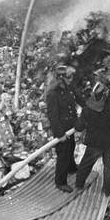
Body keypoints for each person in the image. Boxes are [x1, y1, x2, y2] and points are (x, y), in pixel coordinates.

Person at [74, 77, 110, 196]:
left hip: (94, 142)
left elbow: (79, 127)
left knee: (86, 164)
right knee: (108, 167)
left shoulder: (87, 109)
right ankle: (107, 190)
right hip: (109, 142)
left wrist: (77, 122)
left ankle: (79, 185)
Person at [44, 64, 79, 193]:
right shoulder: (52, 93)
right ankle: (60, 181)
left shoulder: (68, 87)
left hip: (70, 124)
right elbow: (53, 116)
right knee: (63, 154)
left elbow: (79, 98)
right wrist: (60, 134)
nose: (71, 80)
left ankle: (72, 168)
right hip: (61, 128)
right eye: (69, 77)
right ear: (61, 78)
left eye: (72, 77)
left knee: (72, 146)